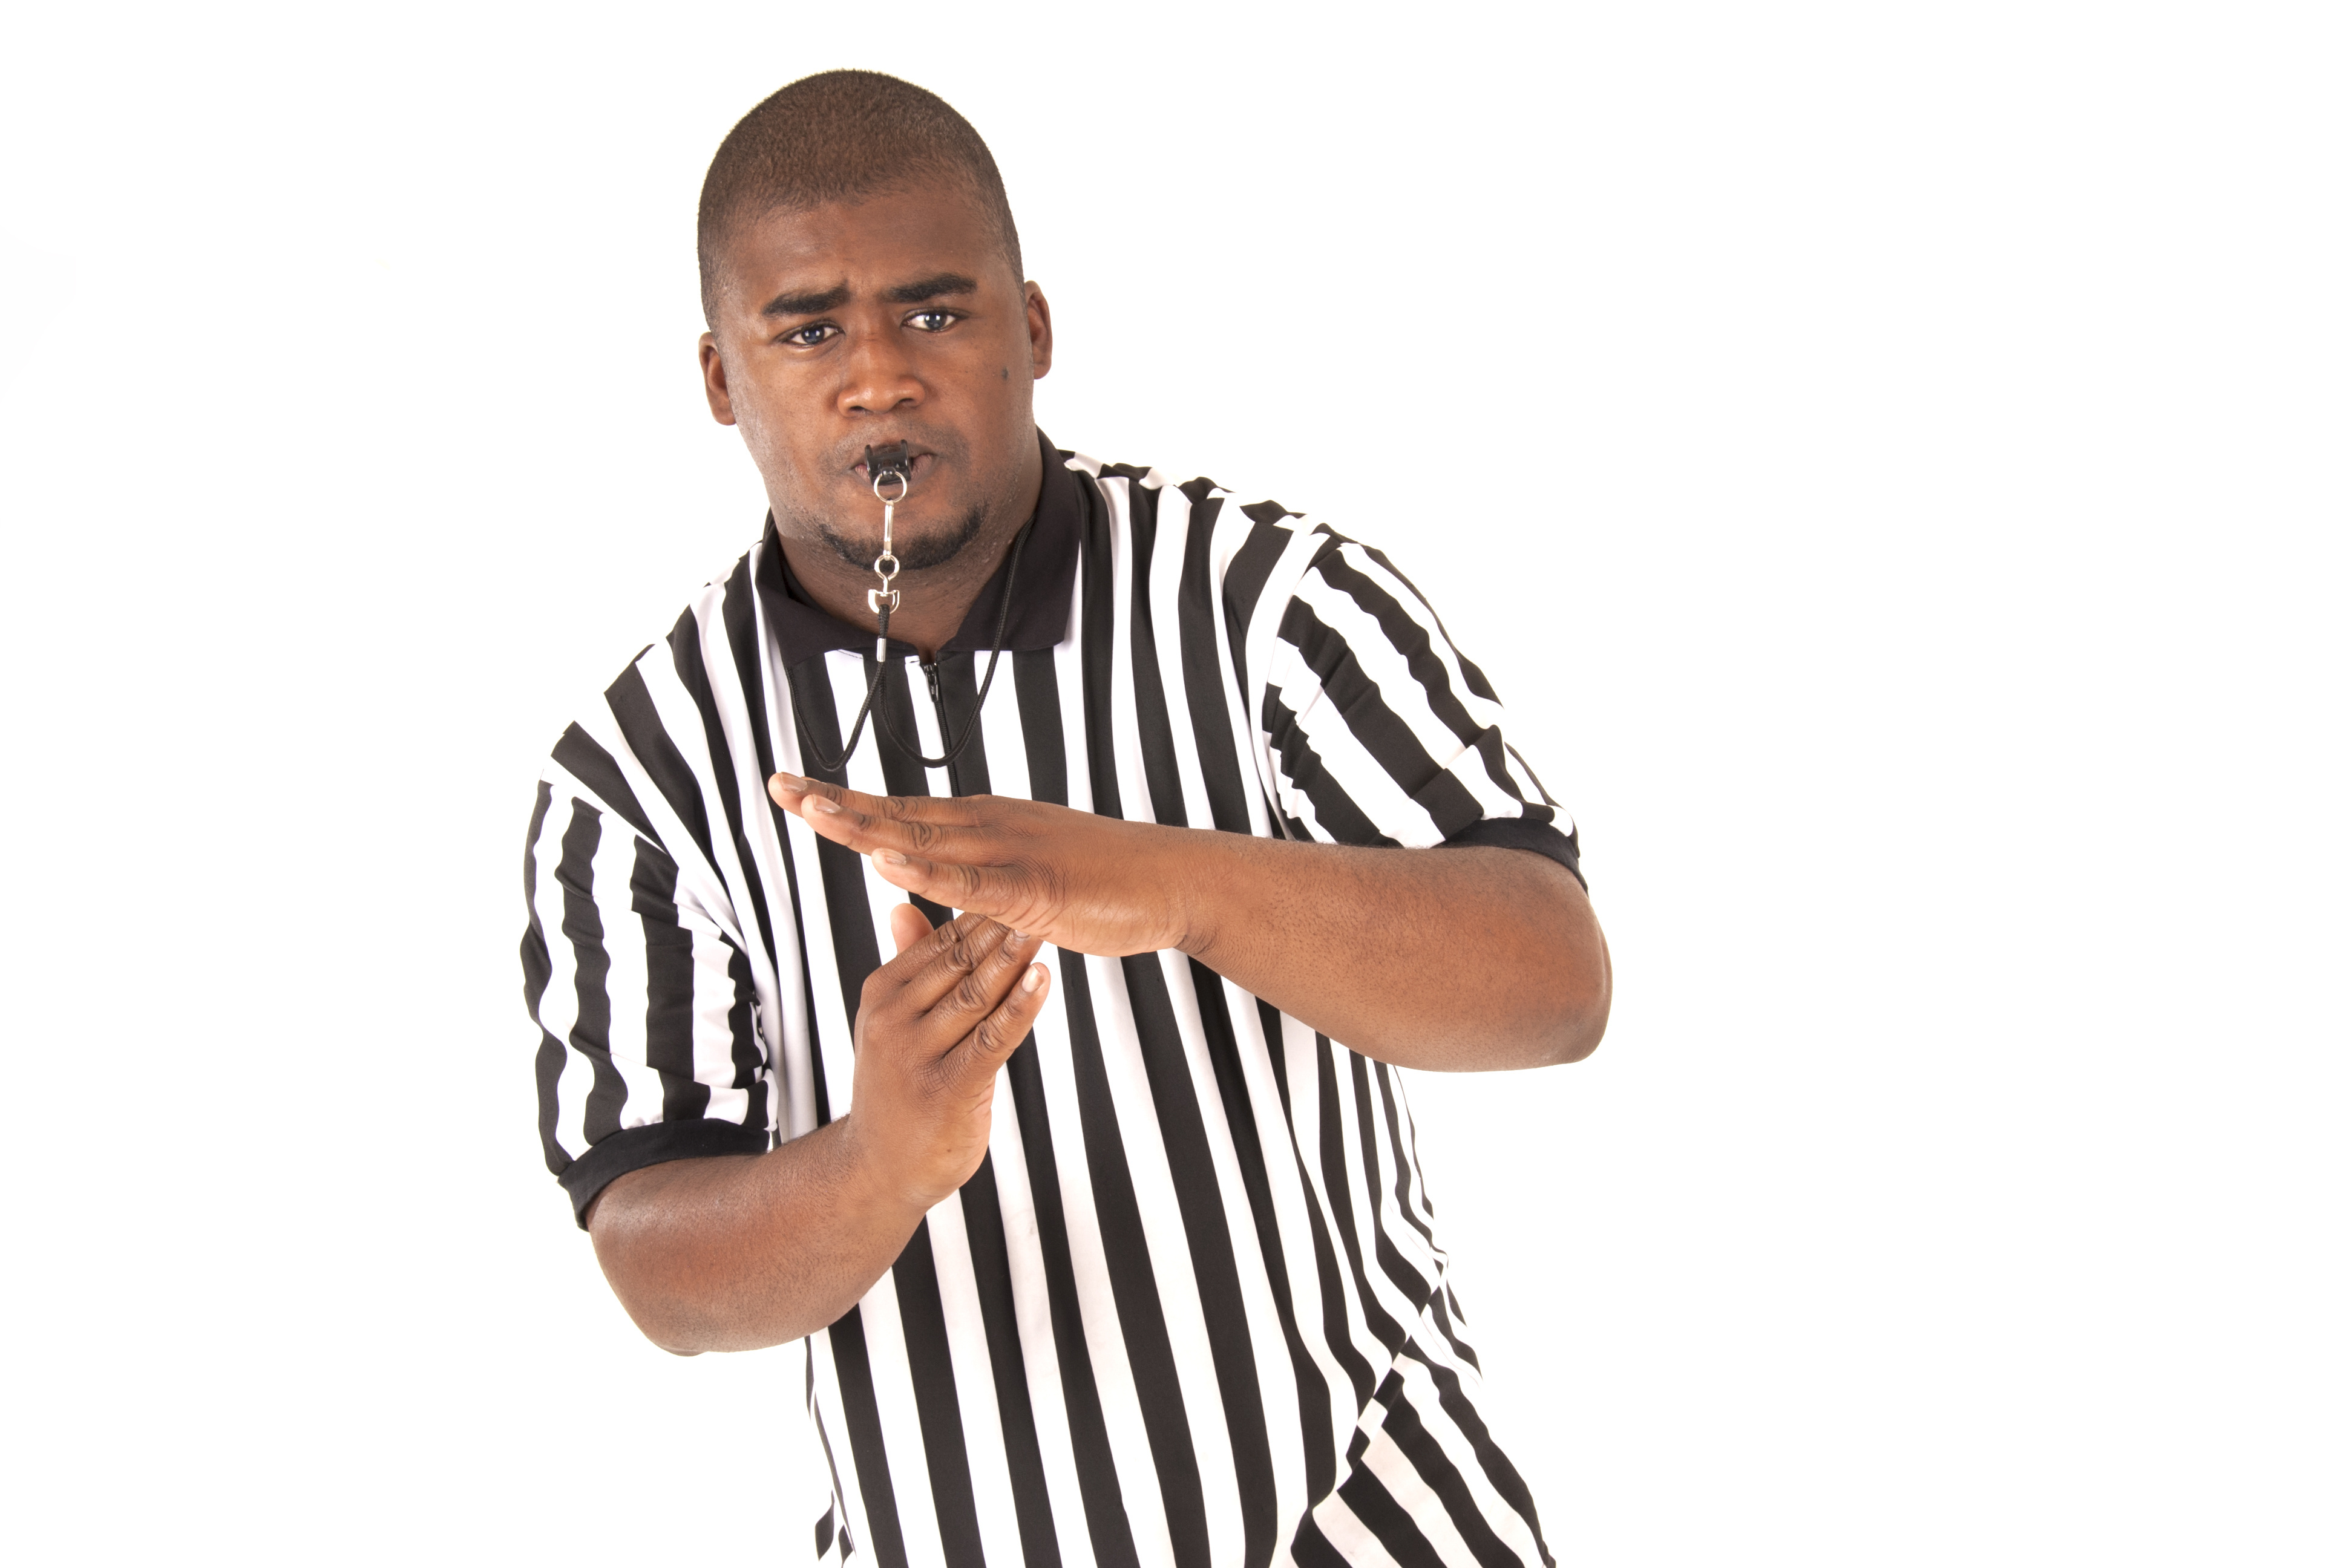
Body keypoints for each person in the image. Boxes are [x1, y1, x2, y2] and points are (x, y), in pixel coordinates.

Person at [520, 69, 1611, 1568]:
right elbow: (660, 1271)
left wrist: (1175, 885)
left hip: (1375, 1521)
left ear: (1031, 329)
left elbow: (1552, 983)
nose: (879, 377)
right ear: (721, 378)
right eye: (810, 329)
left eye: (933, 311)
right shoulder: (637, 778)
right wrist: (881, 1157)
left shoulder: (1267, 607)